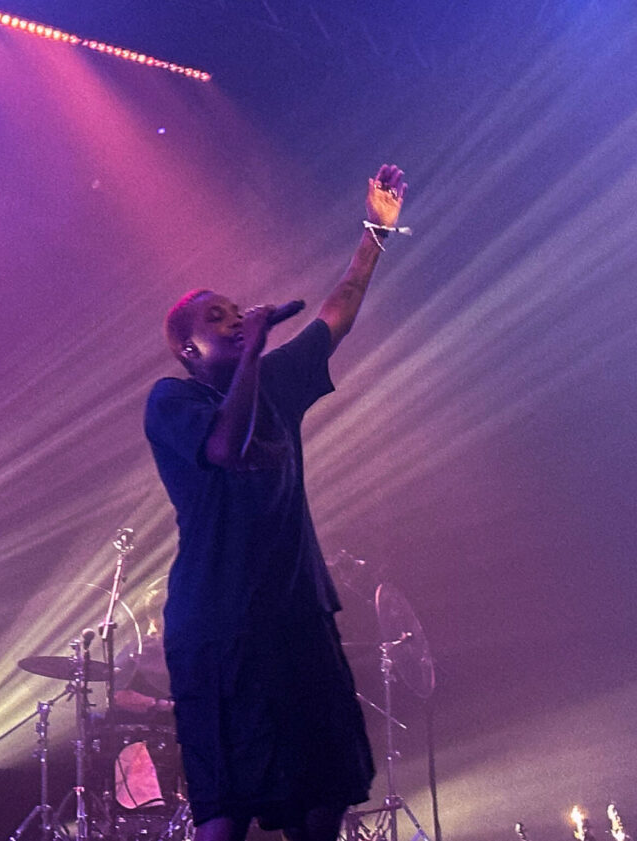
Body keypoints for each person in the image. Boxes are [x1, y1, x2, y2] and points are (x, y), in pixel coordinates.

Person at [144, 164, 407, 841]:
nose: (233, 318)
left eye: (237, 311)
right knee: (225, 810)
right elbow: (227, 448)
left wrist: (375, 229)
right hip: (218, 625)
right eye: (216, 317)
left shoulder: (279, 380)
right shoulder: (174, 400)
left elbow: (339, 309)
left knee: (324, 797)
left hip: (297, 612)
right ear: (186, 346)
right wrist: (256, 351)